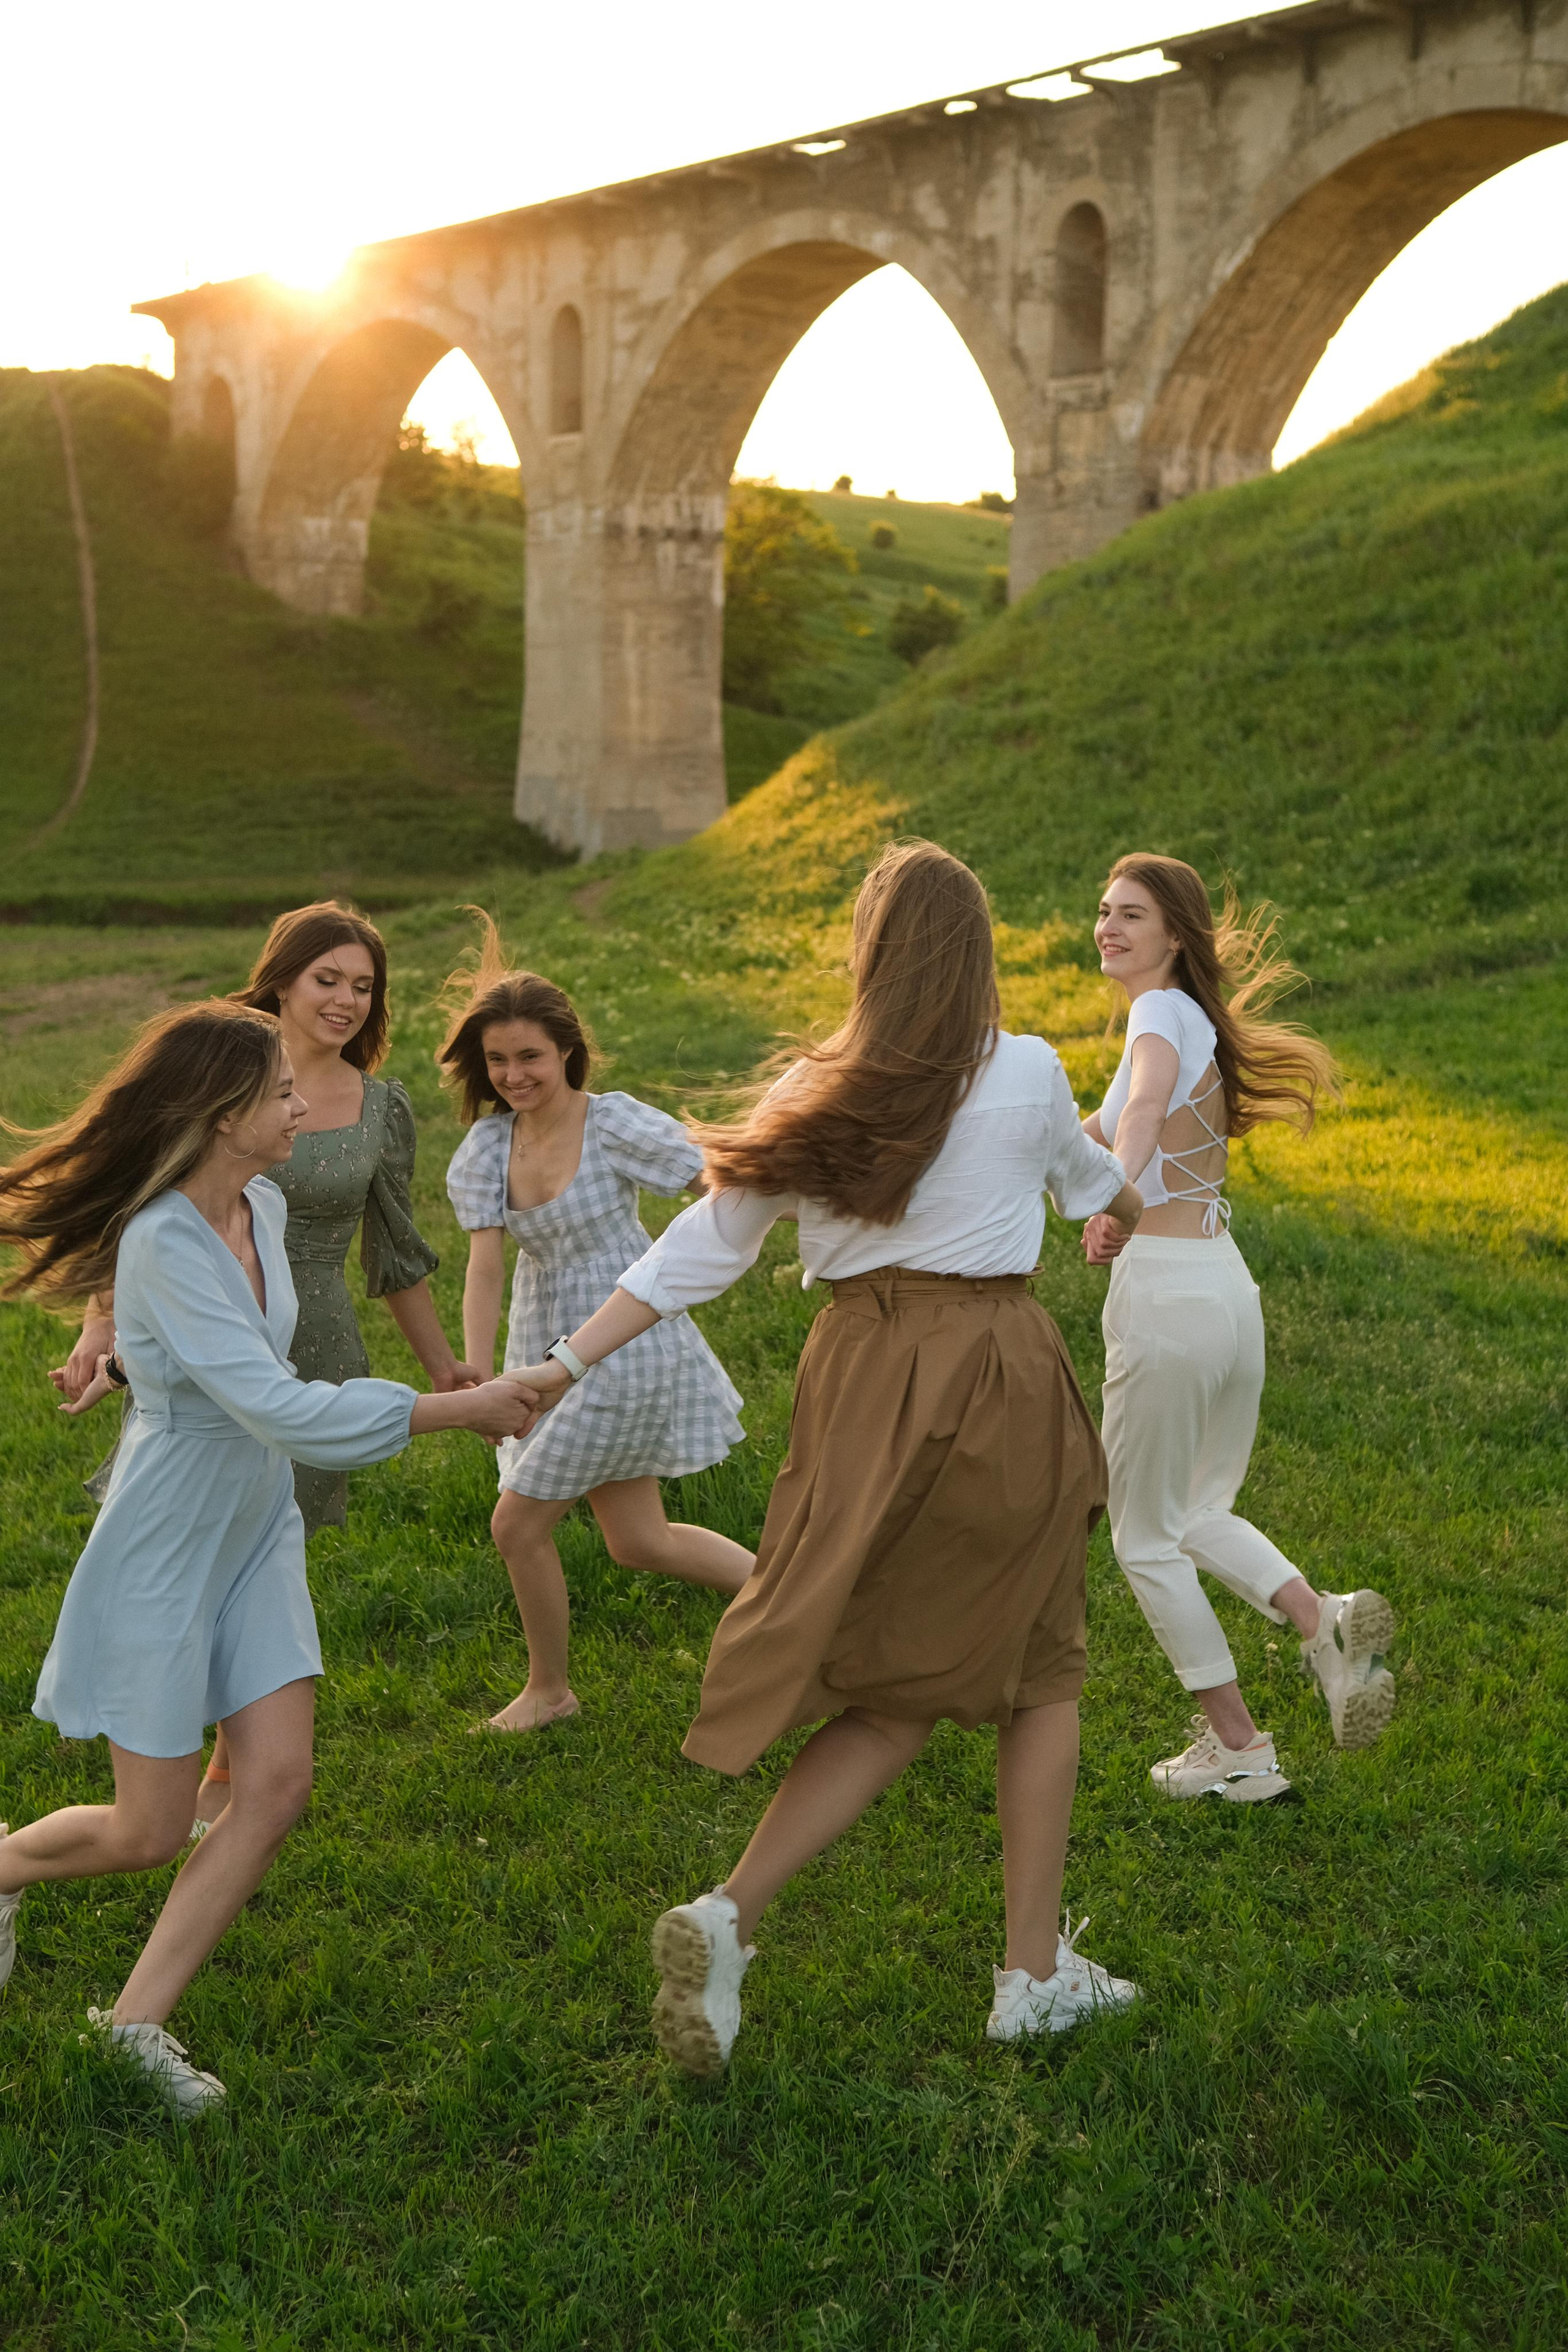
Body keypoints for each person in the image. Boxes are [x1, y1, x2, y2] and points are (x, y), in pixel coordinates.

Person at [510, 842, 1145, 2076]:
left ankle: (733, 1918)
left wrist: (561, 1363)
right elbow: (1094, 1185)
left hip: (858, 1381)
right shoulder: (1024, 1071)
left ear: (870, 956)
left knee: (893, 1683)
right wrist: (1114, 1198)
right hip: (991, 1373)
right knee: (1043, 1669)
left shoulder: (823, 1085)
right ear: (976, 957)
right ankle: (1026, 1975)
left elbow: (702, 1246)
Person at [0, 1000, 537, 2114]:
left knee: (277, 1785)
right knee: (146, 1830)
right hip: (171, 1531)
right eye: (282, 1095)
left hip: (256, 1522)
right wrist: (466, 1406)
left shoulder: (257, 1194)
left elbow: (264, 1379)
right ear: (221, 1113)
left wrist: (113, 1344)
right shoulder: (161, 1241)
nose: (304, 1105)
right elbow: (277, 1407)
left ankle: (133, 2026)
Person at [54, 902, 479, 1834]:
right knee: (192, 1561)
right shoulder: (223, 1075)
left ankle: (224, 1792)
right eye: (327, 978)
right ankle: (178, 1798)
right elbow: (139, 1227)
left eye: (363, 986)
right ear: (282, 977)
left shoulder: (351, 1128)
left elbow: (395, 1251)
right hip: (221, 1390)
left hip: (312, 1342)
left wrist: (448, 1368)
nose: (346, 999)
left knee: (267, 1571)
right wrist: (108, 1338)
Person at [1080, 853, 1395, 1803]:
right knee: (1199, 1511)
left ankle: (1240, 1751)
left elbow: (1135, 1120)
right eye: (1102, 911)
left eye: (1131, 914)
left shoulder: (1154, 1017)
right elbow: (1100, 1125)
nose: (1108, 926)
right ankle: (1322, 1621)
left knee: (1144, 1538)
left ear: (1175, 936)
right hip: (1225, 1287)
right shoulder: (1189, 1026)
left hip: (1169, 1299)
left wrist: (1116, 1198)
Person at [440, 916, 752, 1735]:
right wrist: (477, 1374)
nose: (513, 1075)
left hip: (629, 1341)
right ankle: (798, 1606)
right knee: (639, 1541)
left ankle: (549, 1691)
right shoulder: (486, 1147)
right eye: (498, 1060)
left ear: (568, 1052)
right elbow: (484, 1265)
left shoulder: (612, 1122)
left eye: (531, 1057)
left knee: (516, 1522)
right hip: (542, 1340)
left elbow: (720, 1181)